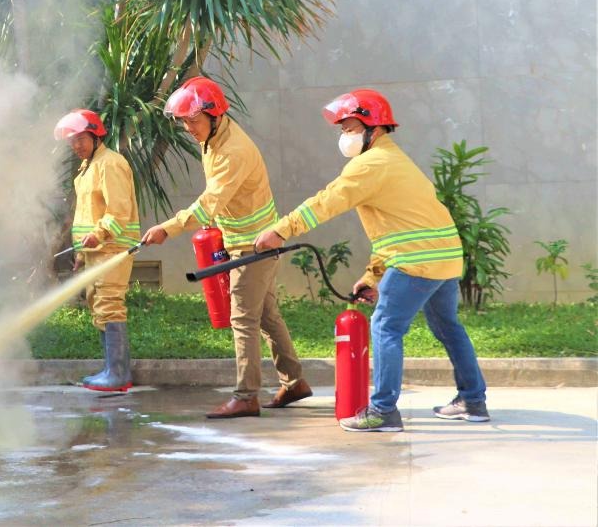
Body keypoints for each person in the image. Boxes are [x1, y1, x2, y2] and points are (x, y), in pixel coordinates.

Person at [255, 89, 489, 432]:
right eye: (342, 130)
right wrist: (373, 275)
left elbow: (327, 201)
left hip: (415, 262)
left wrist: (282, 229)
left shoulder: (371, 164)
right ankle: (473, 400)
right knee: (449, 328)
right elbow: (393, 229)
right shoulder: (394, 160)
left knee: (386, 327)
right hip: (445, 259)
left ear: (373, 129)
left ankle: (382, 411)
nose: (344, 136)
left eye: (349, 128)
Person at [141, 77, 310, 418]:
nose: (188, 128)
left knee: (242, 319)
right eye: (184, 121)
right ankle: (294, 383)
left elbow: (209, 203)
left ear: (214, 115)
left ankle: (246, 395)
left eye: (193, 120)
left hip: (253, 246)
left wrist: (168, 228)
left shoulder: (232, 151)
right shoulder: (215, 139)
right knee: (266, 316)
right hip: (248, 240)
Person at [54, 109, 141, 392]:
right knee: (99, 309)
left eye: (80, 139)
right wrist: (81, 253)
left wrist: (99, 234)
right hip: (95, 252)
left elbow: (119, 210)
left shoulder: (110, 164)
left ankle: (117, 374)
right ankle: (112, 370)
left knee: (110, 305)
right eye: (72, 141)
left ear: (95, 134)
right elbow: (87, 214)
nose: (76, 145)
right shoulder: (88, 168)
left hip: (112, 249)